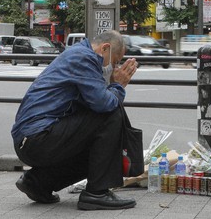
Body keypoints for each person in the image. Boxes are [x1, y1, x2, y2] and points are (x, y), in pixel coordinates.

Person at [11, 30, 138, 210]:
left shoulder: (78, 53)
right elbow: (104, 104)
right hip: (37, 137)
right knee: (111, 113)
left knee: (99, 152)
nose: (114, 66)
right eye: (115, 61)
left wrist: (111, 86)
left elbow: (90, 103)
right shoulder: (84, 58)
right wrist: (118, 85)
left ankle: (37, 183)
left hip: (32, 140)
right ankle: (97, 193)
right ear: (105, 48)